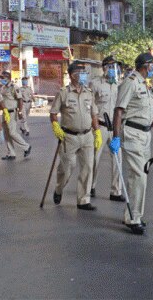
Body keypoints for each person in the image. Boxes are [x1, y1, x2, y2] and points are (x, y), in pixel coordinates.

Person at [109, 52, 153, 235]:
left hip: (145, 135)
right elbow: (119, 111)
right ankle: (133, 218)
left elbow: (148, 115)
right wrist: (116, 136)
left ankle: (134, 214)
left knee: (140, 176)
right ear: (146, 65)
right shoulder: (130, 82)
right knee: (138, 177)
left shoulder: (145, 85)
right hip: (133, 134)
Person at [49, 61, 102, 210]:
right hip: (69, 137)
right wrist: (55, 127)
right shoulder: (63, 93)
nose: (84, 75)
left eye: (85, 73)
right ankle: (59, 188)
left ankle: (83, 200)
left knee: (87, 167)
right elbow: (53, 113)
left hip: (87, 136)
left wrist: (97, 131)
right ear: (73, 75)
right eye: (81, 73)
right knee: (67, 168)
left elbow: (94, 114)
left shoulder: (88, 93)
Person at [89, 55, 124, 202]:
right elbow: (91, 105)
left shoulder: (120, 84)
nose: (112, 70)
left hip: (114, 128)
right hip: (101, 126)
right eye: (110, 66)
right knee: (95, 158)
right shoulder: (95, 84)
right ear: (104, 68)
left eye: (114, 67)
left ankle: (116, 191)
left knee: (118, 159)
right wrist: (95, 127)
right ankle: (90, 186)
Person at [0, 71, 31, 160]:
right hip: (5, 112)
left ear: (8, 78)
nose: (1, 79)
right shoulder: (2, 87)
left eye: (3, 77)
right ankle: (11, 153)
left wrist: (20, 112)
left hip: (12, 112)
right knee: (7, 133)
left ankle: (26, 147)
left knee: (12, 132)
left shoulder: (14, 87)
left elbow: (20, 100)